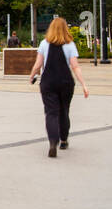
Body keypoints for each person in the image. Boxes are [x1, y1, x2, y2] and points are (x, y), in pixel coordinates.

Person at [27, 17, 89, 158]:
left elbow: (38, 64)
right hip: (66, 82)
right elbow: (75, 67)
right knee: (64, 111)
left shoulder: (44, 44)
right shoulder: (70, 45)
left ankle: (52, 142)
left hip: (48, 82)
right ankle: (64, 140)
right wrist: (84, 85)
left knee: (51, 113)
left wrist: (32, 76)